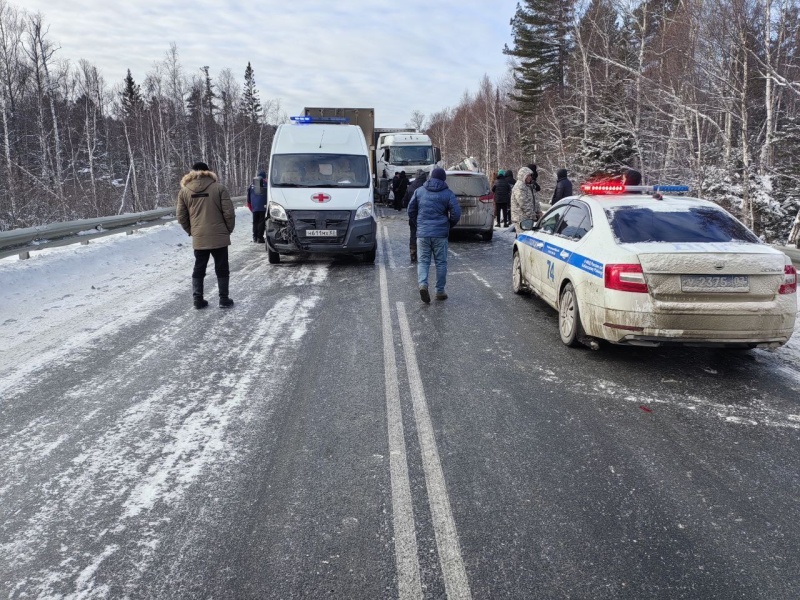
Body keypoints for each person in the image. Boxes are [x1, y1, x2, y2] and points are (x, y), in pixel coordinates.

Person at [176, 161, 236, 309]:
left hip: (199, 236)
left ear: (191, 172)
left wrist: (192, 230)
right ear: (208, 172)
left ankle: (198, 300)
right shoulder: (219, 188)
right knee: (222, 267)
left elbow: (181, 216)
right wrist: (228, 229)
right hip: (219, 236)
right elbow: (229, 213)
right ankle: (223, 299)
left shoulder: (184, 191)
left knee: (199, 267)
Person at [407, 168, 461, 302]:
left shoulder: (419, 191)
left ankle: (423, 284)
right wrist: (448, 224)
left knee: (423, 261)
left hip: (423, 233)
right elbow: (456, 213)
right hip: (440, 234)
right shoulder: (448, 193)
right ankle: (440, 291)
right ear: (443, 179)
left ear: (431, 177)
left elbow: (410, 210)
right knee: (441, 263)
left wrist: (418, 223)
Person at [404, 170, 427, 262]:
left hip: (413, 215)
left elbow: (404, 201)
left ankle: (413, 253)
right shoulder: (426, 187)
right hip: (424, 215)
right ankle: (423, 253)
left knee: (413, 234)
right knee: (424, 235)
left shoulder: (411, 187)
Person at [511, 166, 538, 235]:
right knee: (522, 238)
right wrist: (533, 215)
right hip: (520, 219)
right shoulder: (519, 187)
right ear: (523, 176)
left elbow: (534, 200)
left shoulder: (528, 186)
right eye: (528, 176)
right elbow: (524, 204)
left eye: (530, 176)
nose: (530, 177)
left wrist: (538, 212)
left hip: (526, 218)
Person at [247, 170, 267, 243]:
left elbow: (248, 198)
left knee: (255, 222)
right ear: (264, 177)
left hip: (254, 207)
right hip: (263, 206)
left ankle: (255, 237)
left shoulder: (251, 185)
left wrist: (251, 207)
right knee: (261, 222)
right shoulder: (266, 183)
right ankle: (260, 238)